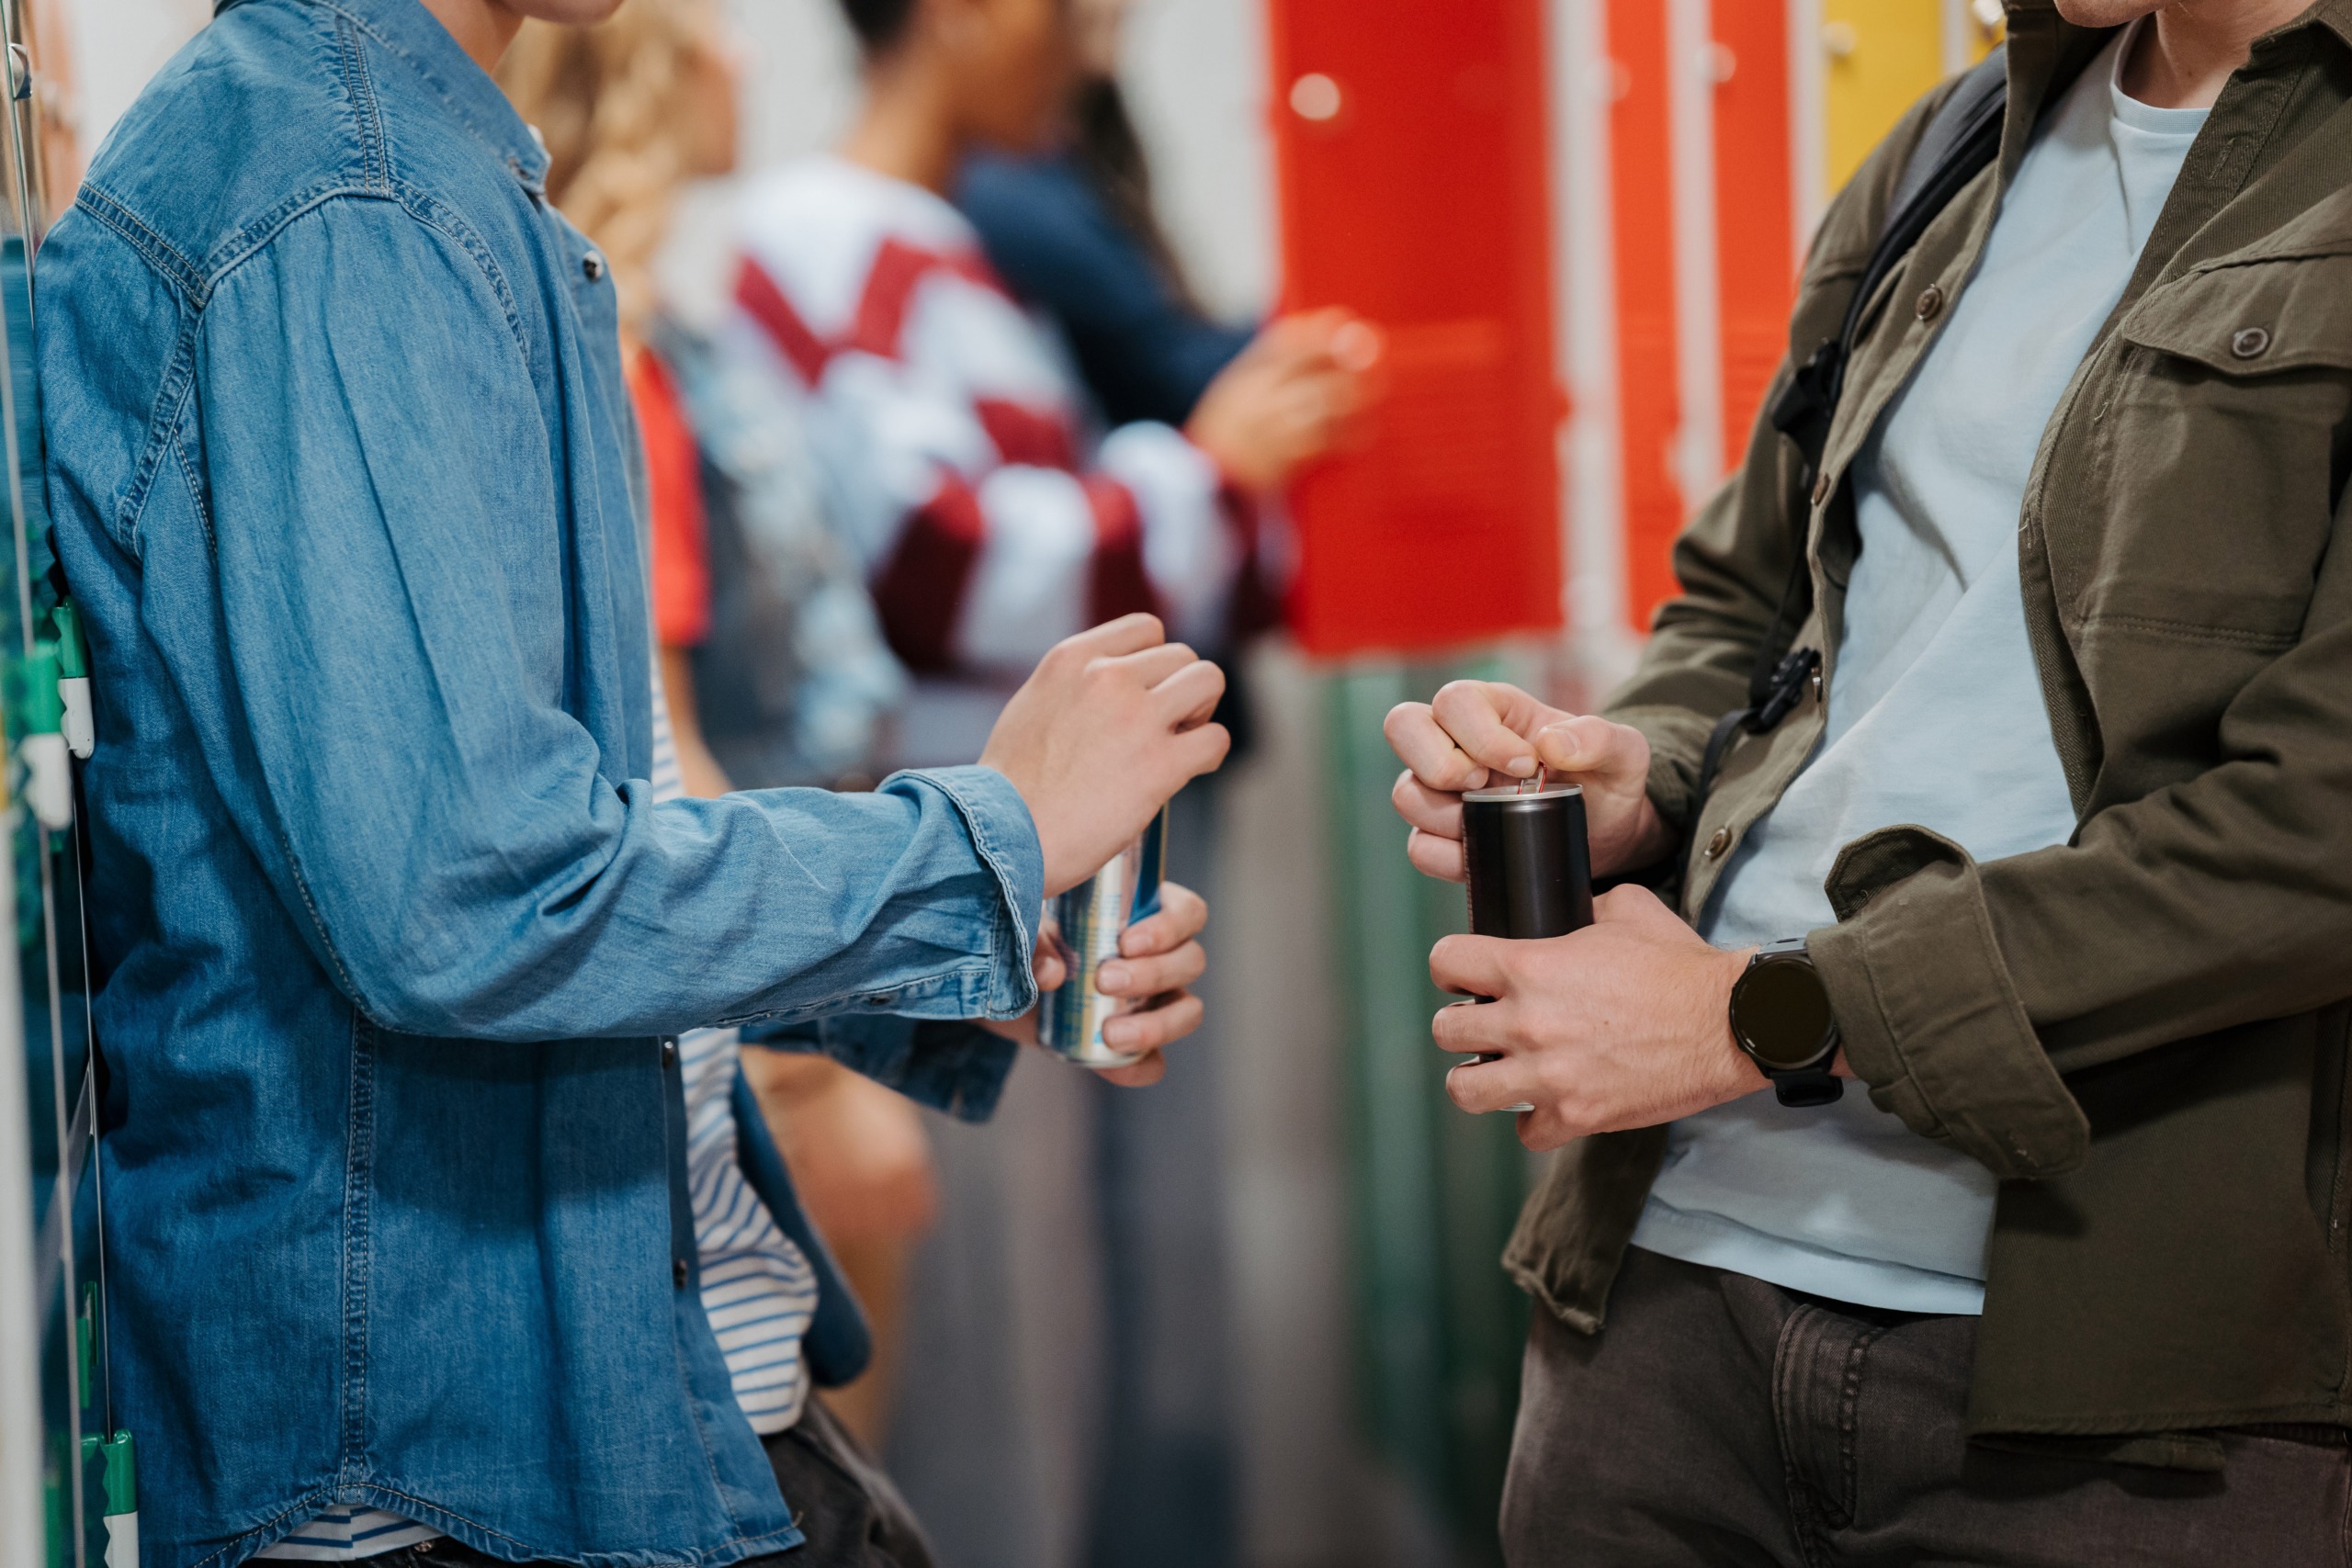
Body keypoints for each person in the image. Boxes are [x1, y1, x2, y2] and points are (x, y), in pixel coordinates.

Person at [38, 0, 1228, 1562]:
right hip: (467, 1473)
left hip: (607, 1403)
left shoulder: (399, 175)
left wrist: (947, 951)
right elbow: (469, 901)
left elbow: (528, 838)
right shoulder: (348, 211)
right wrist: (975, 847)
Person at [1385, 1, 2352, 1561]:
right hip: (1666, 1304)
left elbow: (2317, 835)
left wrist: (1752, 1015)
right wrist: (1644, 768)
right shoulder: (1958, 141)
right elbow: (1750, 607)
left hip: (2117, 1388)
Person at [496, 1, 940, 1452]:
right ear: (643, 74)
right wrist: (812, 1064)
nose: (748, 62)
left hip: (744, 948)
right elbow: (661, 749)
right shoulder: (618, 353)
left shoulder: (644, 331)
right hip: (744, 979)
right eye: (716, 30)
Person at [726, 0, 1367, 769]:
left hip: (1022, 819)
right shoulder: (826, 235)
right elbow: (940, 558)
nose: (1090, 60)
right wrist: (1213, 474)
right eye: (1064, 14)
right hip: (956, 831)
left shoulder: (946, 244)